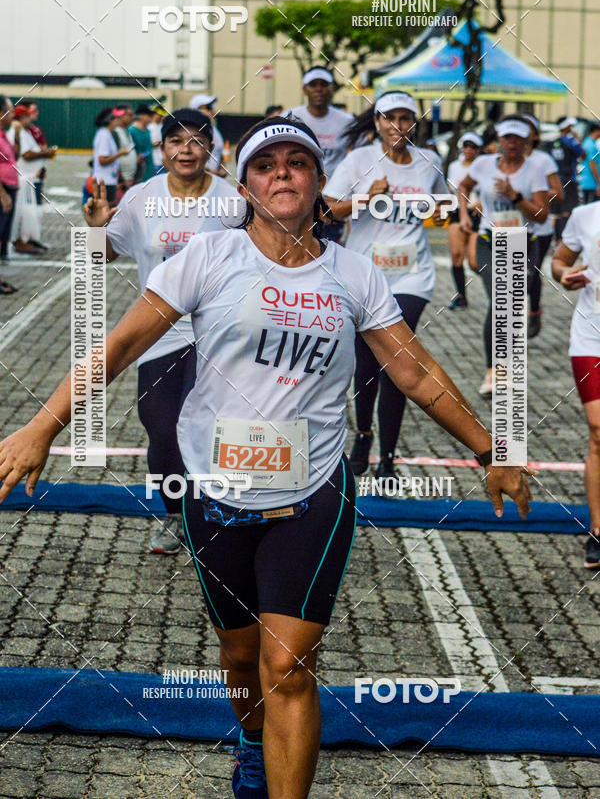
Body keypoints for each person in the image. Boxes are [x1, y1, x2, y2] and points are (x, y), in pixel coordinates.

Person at [0, 114, 532, 799]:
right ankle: (252, 743)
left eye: (298, 161)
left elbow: (418, 374)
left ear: (317, 181)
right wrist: (40, 426)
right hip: (213, 490)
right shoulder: (208, 258)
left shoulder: (354, 274)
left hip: (313, 493)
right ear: (246, 187)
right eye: (266, 164)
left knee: (290, 668)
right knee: (240, 656)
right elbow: (121, 347)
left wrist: (497, 447)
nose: (283, 172)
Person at [84, 108, 243, 555]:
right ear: (163, 148)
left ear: (211, 148)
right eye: (176, 140)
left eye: (196, 140)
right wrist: (95, 228)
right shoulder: (140, 198)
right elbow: (104, 255)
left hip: (219, 334)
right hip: (159, 333)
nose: (186, 149)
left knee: (213, 428)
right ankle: (174, 516)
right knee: (161, 427)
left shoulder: (232, 201)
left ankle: (218, 512)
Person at [323, 91, 447, 478]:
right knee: (367, 364)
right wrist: (364, 197)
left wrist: (444, 213)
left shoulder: (430, 162)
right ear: (377, 122)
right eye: (390, 118)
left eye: (406, 118)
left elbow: (442, 210)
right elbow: (327, 210)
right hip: (364, 274)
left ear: (415, 123)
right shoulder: (359, 160)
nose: (399, 125)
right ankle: (363, 435)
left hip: (413, 274)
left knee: (398, 359)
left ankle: (388, 456)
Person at [458, 117, 549, 396]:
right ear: (499, 140)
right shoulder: (484, 164)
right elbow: (463, 186)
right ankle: (492, 372)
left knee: (509, 306)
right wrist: (463, 215)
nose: (511, 143)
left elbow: (541, 214)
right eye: (507, 138)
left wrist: (516, 196)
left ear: (527, 142)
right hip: (490, 241)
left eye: (517, 139)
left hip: (523, 244)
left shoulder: (534, 170)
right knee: (500, 300)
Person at [552, 206, 600, 568]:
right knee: (599, 431)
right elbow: (560, 261)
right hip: (591, 339)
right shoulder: (585, 215)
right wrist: (565, 274)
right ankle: (599, 530)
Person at [287, 66, 354, 243]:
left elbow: (357, 157)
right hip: (299, 200)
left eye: (324, 84)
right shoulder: (291, 118)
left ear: (332, 88)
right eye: (313, 85)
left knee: (330, 252)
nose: (319, 89)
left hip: (332, 202)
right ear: (304, 89)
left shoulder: (346, 121)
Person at [522, 114, 564, 338]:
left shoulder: (543, 160)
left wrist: (533, 195)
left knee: (531, 273)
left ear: (535, 135)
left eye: (526, 130)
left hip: (540, 228)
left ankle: (534, 310)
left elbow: (559, 193)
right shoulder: (505, 159)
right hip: (512, 227)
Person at [446, 131, 483, 309]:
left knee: (475, 262)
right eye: (466, 145)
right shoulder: (454, 166)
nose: (469, 149)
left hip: (478, 214)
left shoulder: (484, 166)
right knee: (456, 256)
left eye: (473, 146)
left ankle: (497, 290)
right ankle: (461, 296)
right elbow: (451, 188)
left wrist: (482, 203)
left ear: (478, 149)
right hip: (458, 210)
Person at [11, 104, 54, 254]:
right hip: (26, 179)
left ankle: (29, 239)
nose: (31, 118)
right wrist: (45, 154)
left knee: (33, 211)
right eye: (28, 116)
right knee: (26, 211)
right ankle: (21, 241)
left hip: (33, 179)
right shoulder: (19, 133)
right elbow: (26, 155)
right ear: (21, 118)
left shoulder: (26, 132)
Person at [543, 116, 585, 241]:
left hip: (554, 180)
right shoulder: (570, 141)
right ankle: (564, 238)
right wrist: (577, 140)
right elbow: (583, 154)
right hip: (568, 179)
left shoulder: (552, 141)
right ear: (566, 127)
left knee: (556, 211)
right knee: (568, 210)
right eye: (570, 126)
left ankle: (556, 238)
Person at [0, 95, 19, 293]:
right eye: (10, 111)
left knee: (2, 236)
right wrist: (3, 194)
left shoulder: (5, 135)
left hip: (9, 189)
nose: (13, 115)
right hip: (3, 191)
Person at [92, 108, 129, 207]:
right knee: (105, 211)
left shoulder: (107, 133)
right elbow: (102, 160)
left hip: (108, 180)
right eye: (117, 118)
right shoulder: (104, 135)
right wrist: (120, 153)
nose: (119, 120)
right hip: (104, 181)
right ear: (110, 120)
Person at [189, 94, 227, 176]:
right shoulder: (192, 132)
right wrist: (213, 173)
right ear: (196, 110)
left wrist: (222, 169)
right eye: (208, 107)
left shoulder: (214, 130)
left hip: (213, 182)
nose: (213, 110)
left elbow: (219, 154)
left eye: (212, 107)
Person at [112, 105, 137, 198]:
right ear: (120, 115)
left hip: (129, 178)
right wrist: (119, 180)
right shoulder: (115, 132)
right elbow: (112, 157)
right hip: (120, 181)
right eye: (129, 115)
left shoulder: (127, 130)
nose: (132, 117)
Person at [129, 104, 156, 183]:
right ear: (142, 116)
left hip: (149, 168)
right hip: (138, 170)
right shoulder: (132, 130)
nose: (152, 118)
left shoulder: (147, 130)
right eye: (150, 115)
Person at [578, 120, 600, 205]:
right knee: (590, 209)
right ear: (596, 130)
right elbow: (592, 164)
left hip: (590, 182)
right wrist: (599, 183)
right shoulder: (590, 145)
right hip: (590, 183)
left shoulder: (589, 142)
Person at [149, 103, 167, 171]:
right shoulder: (148, 127)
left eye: (162, 115)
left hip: (162, 161)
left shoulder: (162, 126)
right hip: (152, 161)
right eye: (159, 115)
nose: (161, 117)